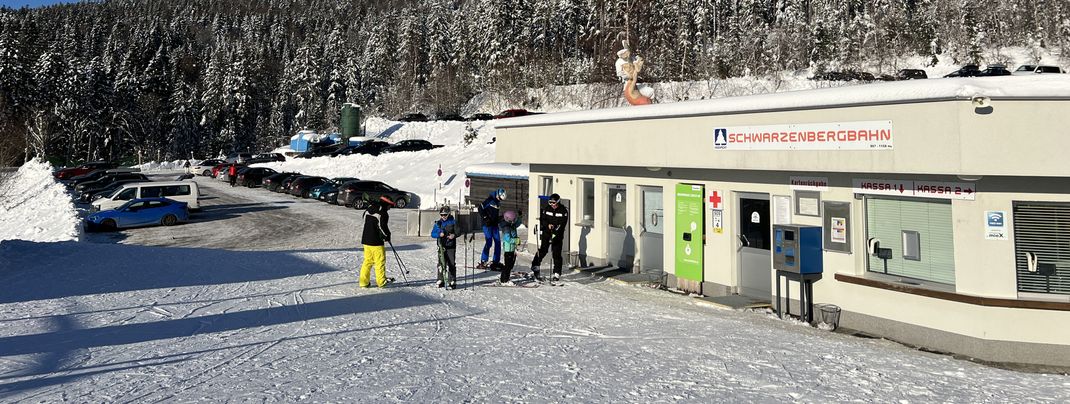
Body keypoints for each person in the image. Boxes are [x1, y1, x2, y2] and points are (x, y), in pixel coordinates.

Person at [531, 193, 569, 282]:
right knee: (543, 250)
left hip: (557, 234)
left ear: (558, 202)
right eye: (550, 202)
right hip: (547, 233)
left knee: (556, 253)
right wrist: (547, 225)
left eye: (553, 203)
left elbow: (562, 224)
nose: (552, 204)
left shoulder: (563, 211)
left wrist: (555, 230)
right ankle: (535, 266)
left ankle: (557, 273)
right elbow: (543, 219)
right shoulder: (547, 209)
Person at [359, 196, 395, 288]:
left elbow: (364, 219)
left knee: (367, 261)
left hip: (366, 240)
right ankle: (381, 282)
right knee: (379, 262)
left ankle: (363, 282)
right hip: (376, 242)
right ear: (387, 204)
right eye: (390, 206)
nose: (390, 208)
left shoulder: (369, 208)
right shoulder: (383, 213)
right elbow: (383, 227)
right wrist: (387, 236)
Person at [477, 187, 506, 269]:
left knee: (498, 242)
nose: (500, 200)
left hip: (494, 225)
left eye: (501, 199)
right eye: (500, 198)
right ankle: (483, 261)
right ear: (498, 195)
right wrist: (485, 218)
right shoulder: (489, 200)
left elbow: (494, 216)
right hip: (487, 225)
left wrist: (501, 218)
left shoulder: (497, 203)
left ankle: (496, 262)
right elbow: (480, 208)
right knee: (489, 242)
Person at [431, 205, 458, 289]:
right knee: (441, 263)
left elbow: (459, 231)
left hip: (450, 246)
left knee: (451, 263)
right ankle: (440, 279)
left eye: (445, 215)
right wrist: (439, 234)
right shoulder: (438, 223)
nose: (443, 216)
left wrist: (454, 235)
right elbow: (432, 234)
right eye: (442, 215)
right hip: (441, 246)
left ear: (449, 214)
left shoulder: (453, 222)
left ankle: (452, 280)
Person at [498, 210, 520, 285]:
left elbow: (518, 223)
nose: (514, 221)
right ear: (508, 219)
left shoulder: (511, 225)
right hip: (508, 250)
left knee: (510, 265)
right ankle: (504, 280)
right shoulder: (506, 228)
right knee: (508, 266)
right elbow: (508, 239)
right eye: (512, 220)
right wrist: (516, 240)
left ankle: (506, 278)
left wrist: (519, 216)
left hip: (512, 249)